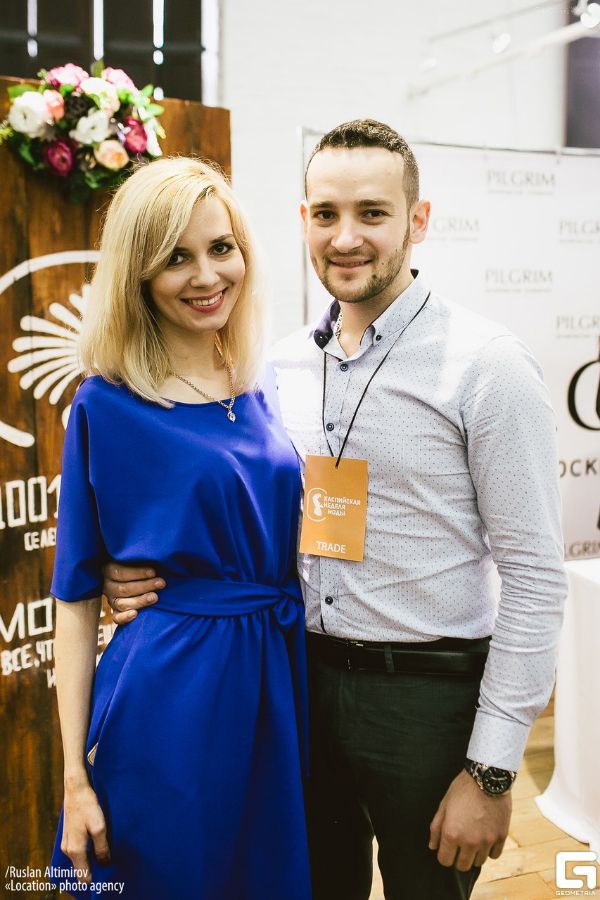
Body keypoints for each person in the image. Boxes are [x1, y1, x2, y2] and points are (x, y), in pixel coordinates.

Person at [104, 121, 567, 900]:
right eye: (326, 213)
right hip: (296, 683)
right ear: (303, 221)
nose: (346, 237)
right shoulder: (275, 366)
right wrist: (140, 575)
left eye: (372, 213)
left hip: (424, 698)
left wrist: (491, 770)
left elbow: (534, 576)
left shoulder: (487, 366)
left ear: (418, 220)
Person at [49, 156, 311, 900]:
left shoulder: (265, 380)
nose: (205, 276)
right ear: (138, 273)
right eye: (175, 258)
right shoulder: (107, 403)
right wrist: (73, 778)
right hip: (172, 692)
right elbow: (74, 598)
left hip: (277, 674)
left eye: (220, 248)